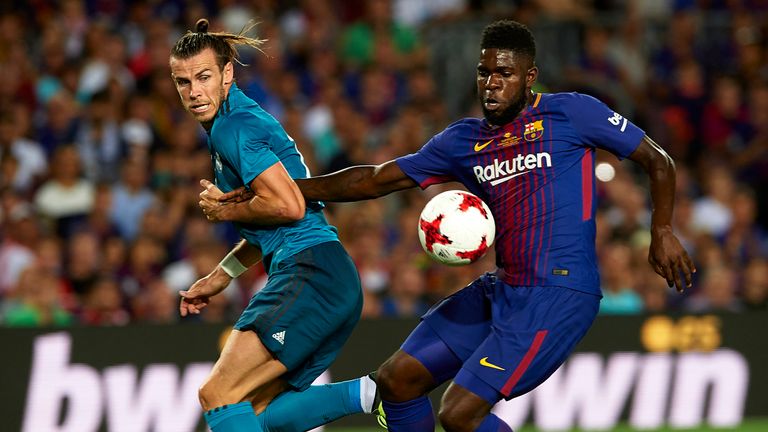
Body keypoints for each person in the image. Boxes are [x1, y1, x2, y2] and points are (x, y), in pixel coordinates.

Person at [207, 20, 696, 432]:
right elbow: (375, 180)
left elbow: (659, 161)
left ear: (530, 77)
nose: (491, 83)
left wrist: (662, 230)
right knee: (396, 381)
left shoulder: (572, 112)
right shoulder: (463, 141)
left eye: (504, 73)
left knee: (459, 415)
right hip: (503, 289)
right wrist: (290, 190)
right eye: (484, 72)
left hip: (558, 295)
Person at [168, 19, 377, 432]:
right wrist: (221, 274)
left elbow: (287, 206)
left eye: (204, 77)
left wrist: (223, 211)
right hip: (327, 276)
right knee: (255, 410)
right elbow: (269, 213)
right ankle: (372, 393)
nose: (193, 92)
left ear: (227, 73)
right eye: (182, 81)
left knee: (218, 395)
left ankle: (376, 393)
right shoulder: (234, 121)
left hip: (309, 270)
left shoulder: (233, 127)